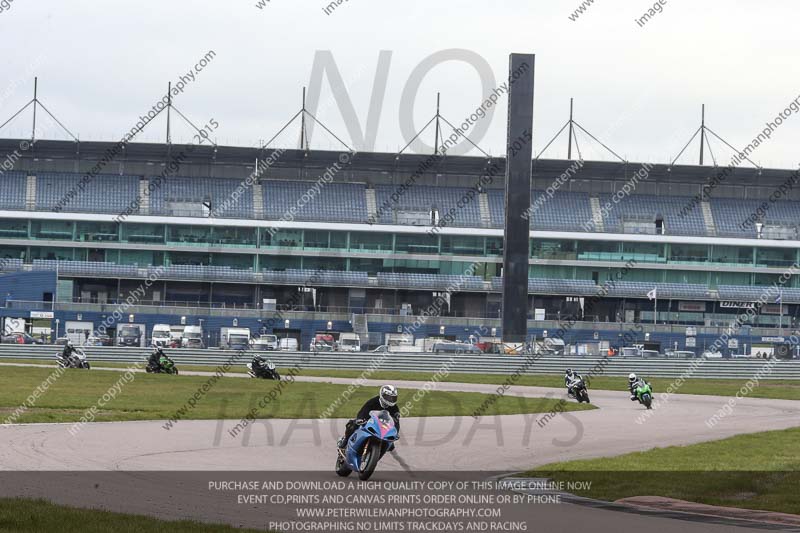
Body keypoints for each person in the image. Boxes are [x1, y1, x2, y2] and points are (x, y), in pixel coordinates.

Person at [337, 385, 400, 454]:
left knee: (390, 445)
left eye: (393, 398)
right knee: (352, 425)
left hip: (382, 427)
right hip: (369, 421)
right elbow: (363, 411)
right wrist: (360, 419)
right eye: (388, 397)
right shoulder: (373, 401)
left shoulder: (394, 408)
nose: (390, 400)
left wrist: (396, 432)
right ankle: (344, 442)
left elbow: (396, 422)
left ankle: (375, 455)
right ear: (382, 395)